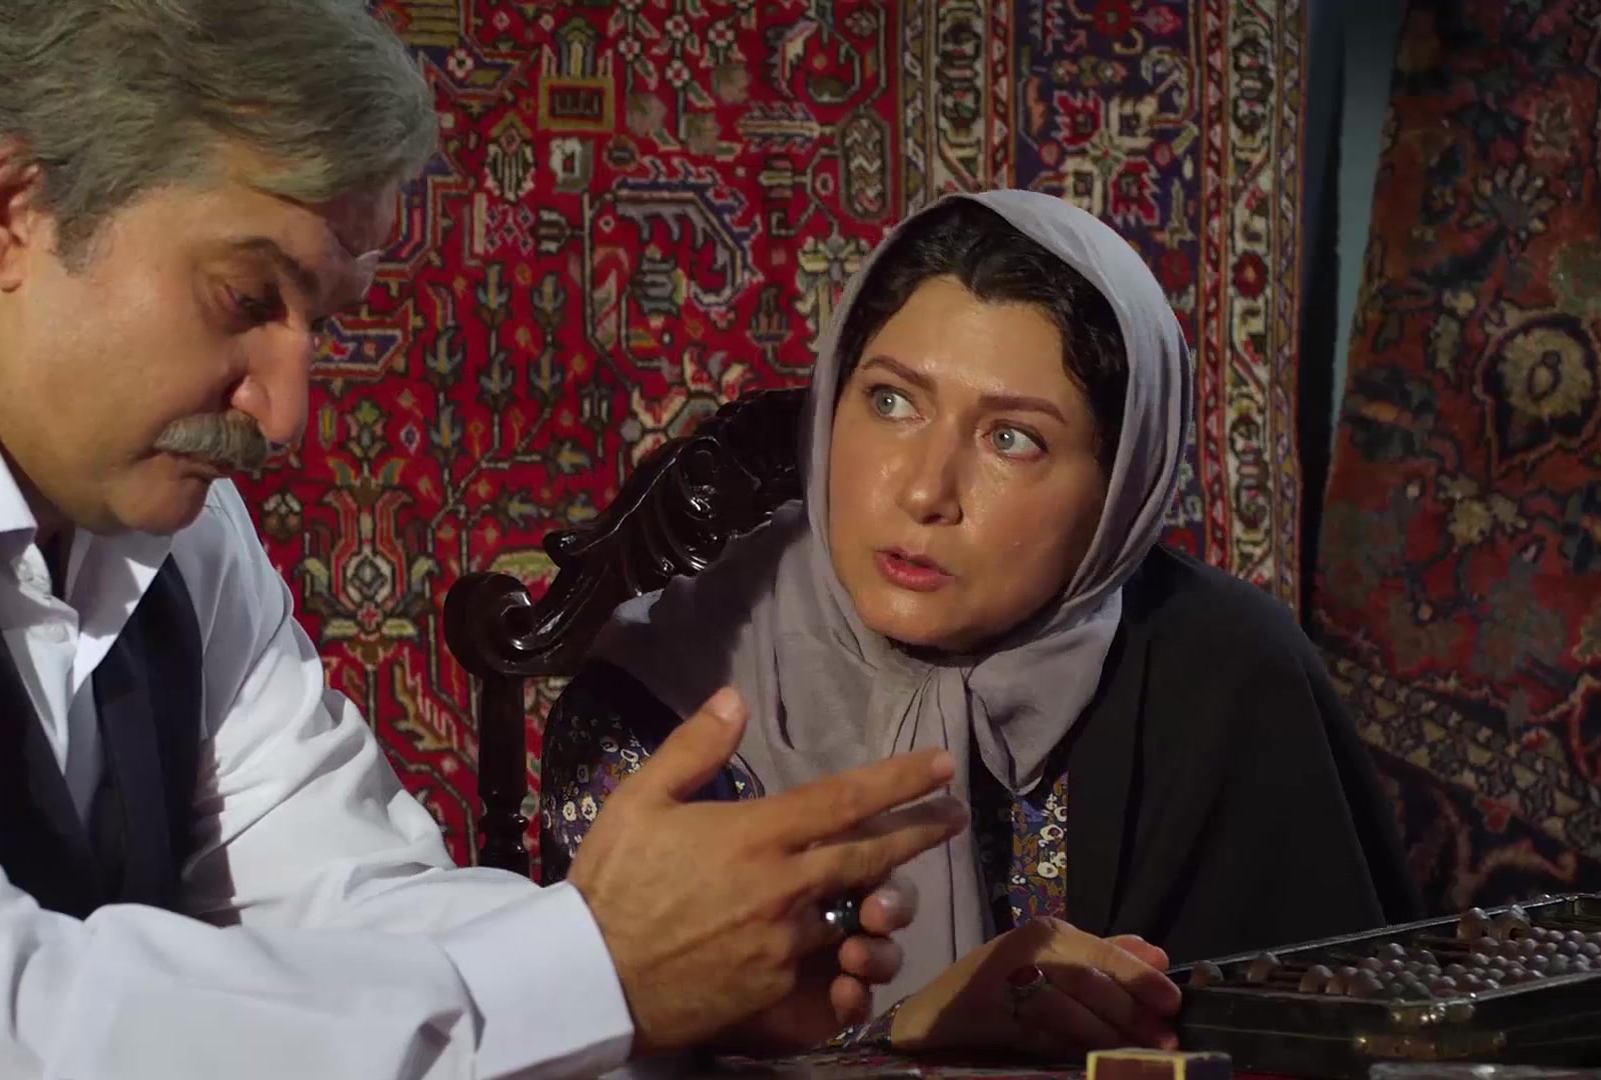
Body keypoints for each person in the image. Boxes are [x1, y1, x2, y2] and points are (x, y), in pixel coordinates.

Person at [0, 3, 974, 1077]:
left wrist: (681, 974)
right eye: (242, 297)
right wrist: (596, 974)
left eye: (321, 317)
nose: (284, 413)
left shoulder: (182, 531)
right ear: (14, 211)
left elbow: (348, 899)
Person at [540, 191, 1422, 1058]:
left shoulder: (1225, 680)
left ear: (1121, 487)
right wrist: (891, 1039)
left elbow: (1340, 1046)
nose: (926, 491)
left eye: (1012, 440)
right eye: (892, 402)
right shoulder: (663, 703)